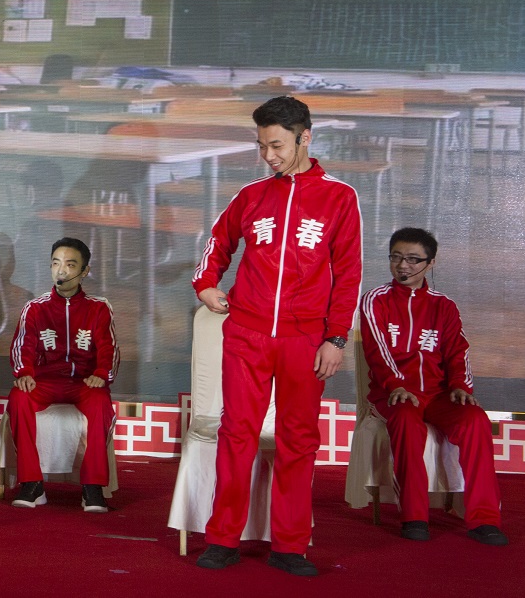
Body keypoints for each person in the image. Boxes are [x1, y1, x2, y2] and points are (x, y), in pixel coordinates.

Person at [191, 96, 362, 577]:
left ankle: (289, 545)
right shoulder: (251, 196)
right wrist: (205, 284)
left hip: (304, 341)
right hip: (246, 334)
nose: (268, 156)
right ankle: (223, 538)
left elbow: (349, 273)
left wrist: (336, 338)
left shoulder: (339, 197)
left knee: (298, 439)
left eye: (277, 146)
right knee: (236, 434)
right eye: (262, 146)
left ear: (305, 138)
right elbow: (218, 243)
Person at [359, 227, 507, 545]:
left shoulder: (444, 306)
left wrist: (460, 386)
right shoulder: (375, 300)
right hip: (393, 394)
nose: (403, 265)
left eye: (413, 259)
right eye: (396, 257)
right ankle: (414, 516)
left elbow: (457, 351)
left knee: (475, 420)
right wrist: (395, 385)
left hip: (439, 395)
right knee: (406, 421)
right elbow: (376, 350)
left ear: (430, 263)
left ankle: (484, 519)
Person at [7, 237, 119, 513]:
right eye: (56, 263)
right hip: (45, 382)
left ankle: (92, 487)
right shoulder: (35, 307)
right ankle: (32, 484)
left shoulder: (98, 307)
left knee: (100, 402)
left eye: (70, 265)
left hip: (84, 383)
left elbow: (109, 348)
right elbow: (23, 345)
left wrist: (101, 374)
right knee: (19, 397)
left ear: (84, 271)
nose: (61, 270)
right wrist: (24, 372)